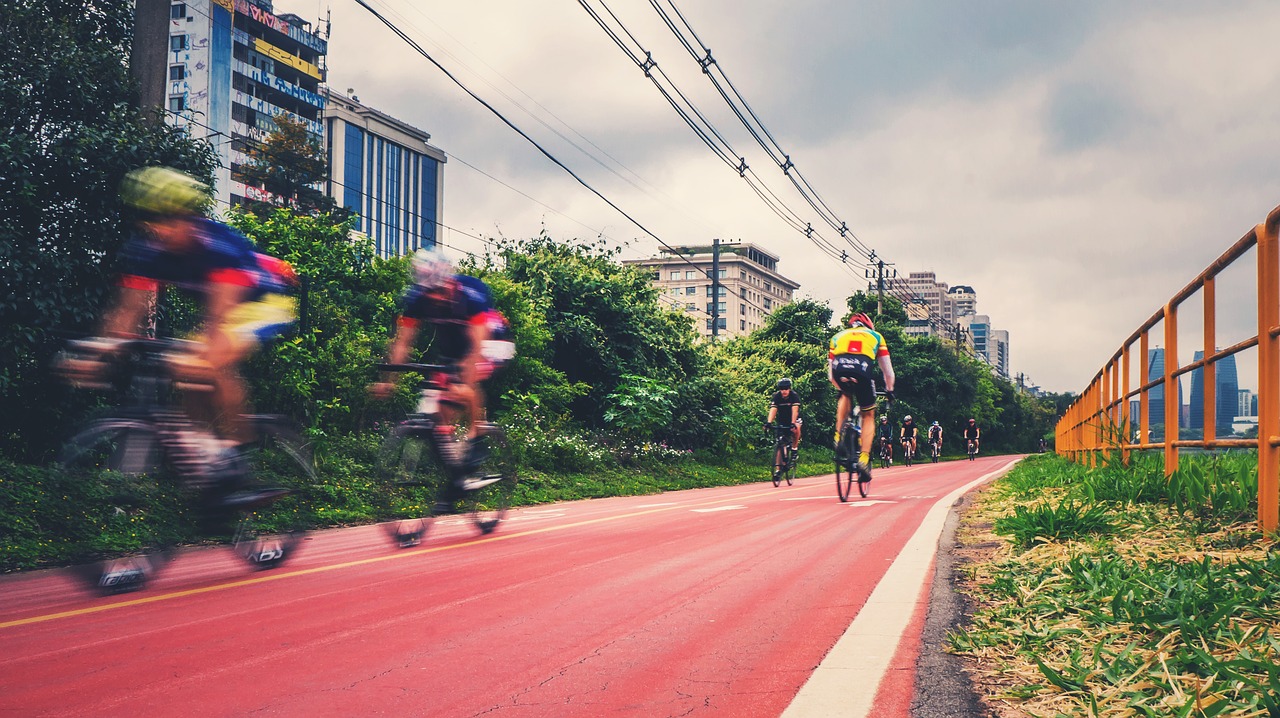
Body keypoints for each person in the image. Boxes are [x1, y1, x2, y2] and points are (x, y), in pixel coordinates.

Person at [92, 166, 298, 504]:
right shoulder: (147, 251)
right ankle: (207, 449)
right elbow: (126, 311)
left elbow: (218, 318)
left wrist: (206, 353)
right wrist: (99, 350)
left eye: (168, 220)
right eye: (149, 220)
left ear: (189, 217)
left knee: (209, 361)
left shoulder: (217, 246)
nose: (157, 230)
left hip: (262, 301)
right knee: (183, 368)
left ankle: (235, 450)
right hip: (226, 308)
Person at [371, 249, 514, 472]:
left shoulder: (469, 295)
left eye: (439, 291)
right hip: (457, 345)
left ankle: (477, 439)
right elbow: (403, 343)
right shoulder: (417, 299)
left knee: (463, 383)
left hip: (492, 340)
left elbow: (478, 346)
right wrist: (389, 379)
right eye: (430, 293)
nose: (435, 298)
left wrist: (463, 379)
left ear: (448, 283)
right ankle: (457, 477)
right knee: (441, 411)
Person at [828, 312, 896, 472]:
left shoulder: (837, 337)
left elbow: (830, 375)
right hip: (862, 370)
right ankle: (864, 459)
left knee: (844, 394)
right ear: (869, 326)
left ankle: (838, 436)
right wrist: (890, 390)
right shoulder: (876, 336)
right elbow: (888, 372)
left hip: (840, 369)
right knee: (868, 414)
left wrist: (840, 388)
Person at [765, 378, 801, 459]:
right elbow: (773, 409)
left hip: (793, 418)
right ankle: (778, 469)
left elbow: (795, 410)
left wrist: (792, 423)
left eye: (786, 388)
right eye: (781, 389)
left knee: (797, 428)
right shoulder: (777, 396)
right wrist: (769, 422)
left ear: (789, 388)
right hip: (782, 419)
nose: (784, 391)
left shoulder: (794, 396)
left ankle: (794, 449)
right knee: (780, 445)